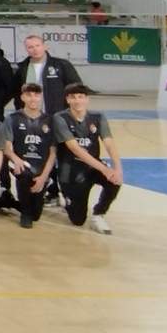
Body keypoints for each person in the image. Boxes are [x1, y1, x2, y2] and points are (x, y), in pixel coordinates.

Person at [54, 83, 122, 234]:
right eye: (73, 97)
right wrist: (104, 168)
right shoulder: (60, 118)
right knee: (77, 220)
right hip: (71, 169)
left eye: (81, 97)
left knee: (114, 180)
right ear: (68, 100)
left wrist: (117, 169)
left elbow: (109, 143)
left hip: (93, 167)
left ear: (87, 99)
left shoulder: (97, 117)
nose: (77, 101)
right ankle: (66, 197)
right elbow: (75, 148)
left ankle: (98, 214)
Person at [0, 83, 58, 229]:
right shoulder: (12, 118)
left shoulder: (50, 120)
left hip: (41, 166)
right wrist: (15, 158)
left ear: (41, 97)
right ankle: (24, 213)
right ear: (22, 97)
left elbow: (53, 152)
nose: (33, 98)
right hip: (20, 162)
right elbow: (6, 147)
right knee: (23, 174)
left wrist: (44, 177)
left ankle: (12, 202)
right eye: (29, 95)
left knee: (36, 214)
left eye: (36, 95)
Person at [14, 34, 81, 116]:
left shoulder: (61, 65)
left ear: (44, 46)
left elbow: (77, 89)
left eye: (37, 45)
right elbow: (16, 94)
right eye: (30, 47)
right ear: (26, 49)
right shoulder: (22, 69)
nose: (35, 49)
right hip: (31, 118)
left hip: (57, 116)